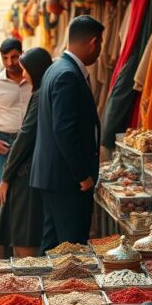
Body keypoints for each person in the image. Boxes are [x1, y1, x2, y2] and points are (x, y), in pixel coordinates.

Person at [31, 15, 104, 252]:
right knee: (71, 251)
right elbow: (64, 130)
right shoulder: (68, 75)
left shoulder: (56, 68)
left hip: (53, 176)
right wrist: (82, 175)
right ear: (93, 42)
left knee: (53, 245)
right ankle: (68, 290)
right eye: (101, 43)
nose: (100, 49)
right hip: (67, 179)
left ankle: (46, 287)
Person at [0, 47, 53, 258]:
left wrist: (6, 179)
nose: (23, 74)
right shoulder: (42, 92)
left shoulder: (39, 95)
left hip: (25, 172)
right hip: (23, 165)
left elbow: (25, 136)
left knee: (25, 240)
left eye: (26, 69)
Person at [0, 38, 31, 183]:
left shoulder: (34, 79)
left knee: (29, 191)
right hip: (5, 143)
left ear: (23, 54)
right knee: (4, 191)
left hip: (31, 141)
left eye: (14, 57)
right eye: (5, 58)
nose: (9, 62)